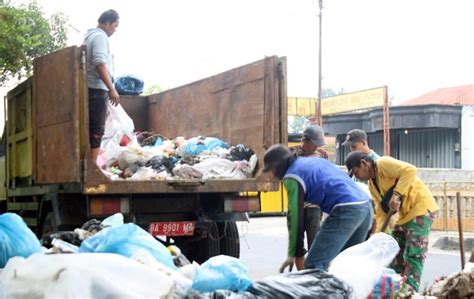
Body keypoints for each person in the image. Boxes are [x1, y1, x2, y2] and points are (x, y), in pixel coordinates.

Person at [262, 144, 373, 272]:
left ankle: (318, 292)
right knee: (347, 263)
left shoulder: (292, 176)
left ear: (277, 165)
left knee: (314, 265)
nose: (272, 175)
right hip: (365, 206)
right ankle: (350, 291)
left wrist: (295, 253)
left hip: (347, 209)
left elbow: (295, 217)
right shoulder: (313, 161)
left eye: (270, 169)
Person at [344, 151, 440, 294]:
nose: (357, 177)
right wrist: (375, 237)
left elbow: (410, 170)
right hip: (404, 216)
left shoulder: (383, 163)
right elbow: (382, 213)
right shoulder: (372, 185)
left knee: (413, 255)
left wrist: (396, 194)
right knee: (396, 254)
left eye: (357, 172)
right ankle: (396, 291)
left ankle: (409, 293)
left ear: (364, 164)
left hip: (420, 209)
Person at [83, 9, 120, 164]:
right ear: (107, 23)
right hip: (97, 90)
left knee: (91, 128)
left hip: (90, 89)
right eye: (115, 26)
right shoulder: (100, 37)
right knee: (97, 129)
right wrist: (112, 89)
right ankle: (93, 169)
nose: (115, 30)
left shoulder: (89, 36)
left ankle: (91, 165)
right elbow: (100, 63)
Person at [289, 125, 327, 269]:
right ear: (305, 140)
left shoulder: (322, 155)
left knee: (315, 243)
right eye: (314, 144)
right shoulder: (291, 153)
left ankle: (314, 274)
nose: (316, 147)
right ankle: (301, 275)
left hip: (314, 206)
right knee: (297, 245)